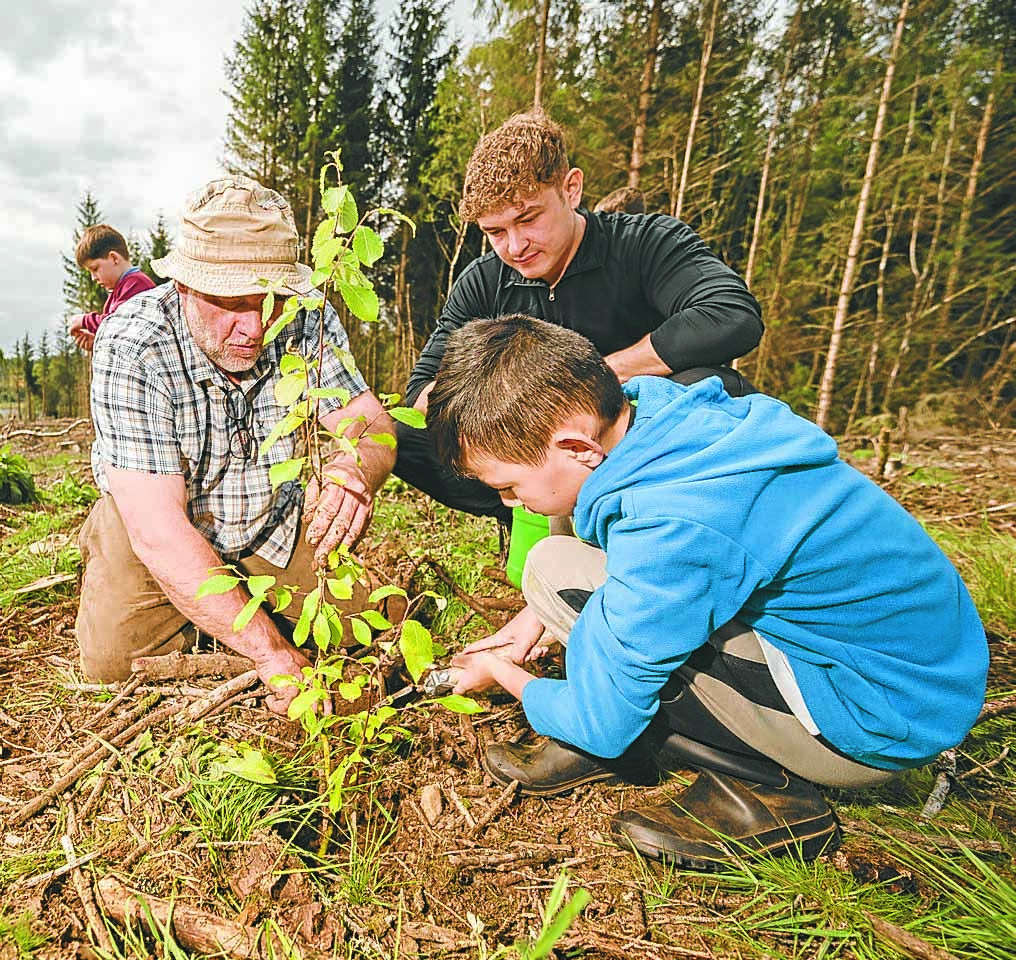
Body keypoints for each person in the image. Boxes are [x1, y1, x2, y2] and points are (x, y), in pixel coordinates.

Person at [427, 314, 989, 870]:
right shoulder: (670, 419)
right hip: (913, 678)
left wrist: (503, 672)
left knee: (570, 592)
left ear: (576, 447)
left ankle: (767, 793)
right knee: (562, 567)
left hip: (873, 722)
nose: (507, 502)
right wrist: (535, 620)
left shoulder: (676, 524)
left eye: (507, 485)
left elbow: (602, 721)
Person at [76, 176, 396, 714]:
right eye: (230, 304)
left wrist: (353, 469)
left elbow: (369, 420)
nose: (254, 326)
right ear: (183, 287)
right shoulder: (133, 344)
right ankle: (115, 549)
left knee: (363, 629)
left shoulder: (306, 316)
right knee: (111, 663)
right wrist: (268, 652)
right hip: (162, 525)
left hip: (269, 522)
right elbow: (159, 529)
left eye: (269, 302)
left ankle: (224, 607)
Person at [394, 111, 763, 524]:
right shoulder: (483, 282)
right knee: (405, 434)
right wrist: (509, 416)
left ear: (571, 189)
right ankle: (529, 511)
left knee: (713, 386)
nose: (515, 246)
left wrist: (592, 381)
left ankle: (689, 518)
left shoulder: (644, 243)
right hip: (534, 455)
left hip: (644, 445)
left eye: (528, 218)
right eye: (495, 232)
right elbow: (423, 390)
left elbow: (731, 315)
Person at [68, 225, 156, 351]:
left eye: (95, 269)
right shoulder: (120, 289)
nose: (93, 278)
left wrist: (84, 320)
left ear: (114, 258)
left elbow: (114, 324)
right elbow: (122, 338)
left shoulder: (136, 284)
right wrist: (98, 341)